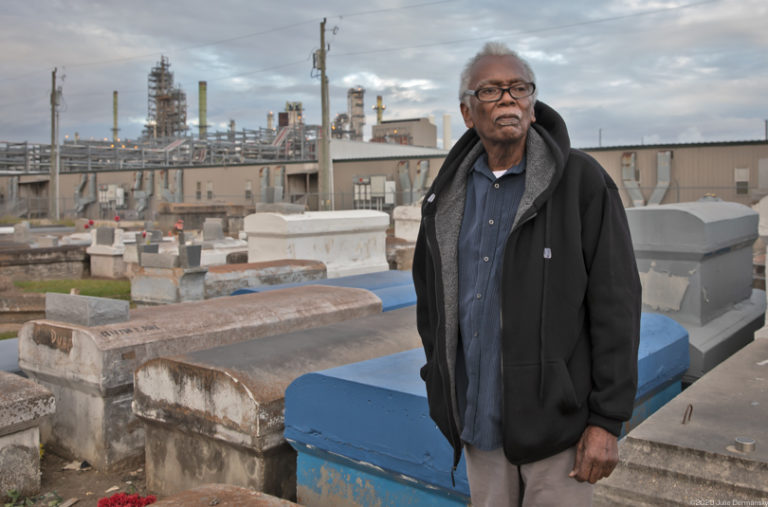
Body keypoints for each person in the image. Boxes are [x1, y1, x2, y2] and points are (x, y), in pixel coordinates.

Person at [412, 41, 641, 506]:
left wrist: (607, 420)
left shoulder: (582, 183)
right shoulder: (445, 199)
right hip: (479, 426)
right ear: (467, 111)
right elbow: (430, 303)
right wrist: (438, 377)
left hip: (560, 434)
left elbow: (616, 304)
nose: (509, 99)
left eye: (520, 88)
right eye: (492, 91)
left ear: (533, 106)